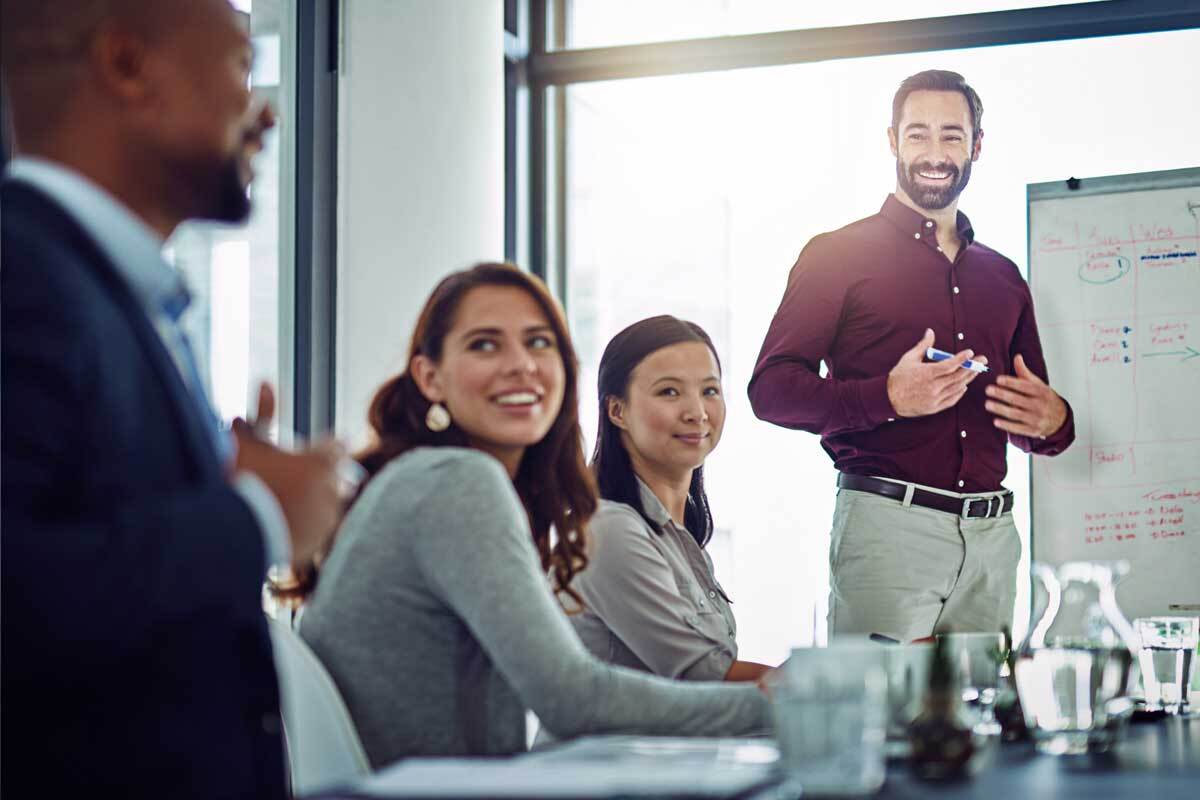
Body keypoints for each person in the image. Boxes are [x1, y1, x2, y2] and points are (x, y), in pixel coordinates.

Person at [1, 2, 344, 797]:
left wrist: (211, 489)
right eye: (239, 67)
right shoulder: (23, 277)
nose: (267, 111)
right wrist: (258, 515)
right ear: (127, 67)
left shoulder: (112, 291)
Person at [299, 264, 770, 766]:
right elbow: (572, 699)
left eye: (539, 343)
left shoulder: (448, 481)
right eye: (485, 344)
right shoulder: (455, 482)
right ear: (430, 378)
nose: (521, 365)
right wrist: (789, 705)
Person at [748, 69, 1075, 642]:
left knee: (977, 724)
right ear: (892, 141)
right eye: (917, 133)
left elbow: (1032, 416)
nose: (934, 152)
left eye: (951, 136)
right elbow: (771, 390)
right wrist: (887, 397)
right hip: (887, 530)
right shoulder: (836, 255)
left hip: (993, 541)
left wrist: (1056, 422)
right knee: (880, 722)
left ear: (976, 146)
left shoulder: (1003, 277)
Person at [570, 315, 773, 684]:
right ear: (617, 411)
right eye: (669, 392)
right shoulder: (609, 529)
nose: (697, 413)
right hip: (613, 743)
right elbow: (704, 675)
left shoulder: (680, 537)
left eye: (709, 391)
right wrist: (838, 681)